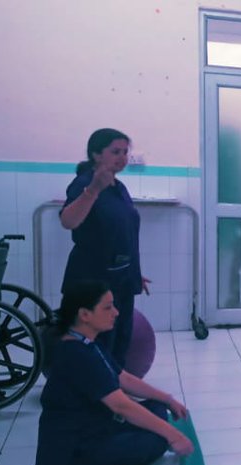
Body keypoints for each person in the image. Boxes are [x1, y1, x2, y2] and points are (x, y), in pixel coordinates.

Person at [36, 280, 193, 465]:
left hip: (94, 431)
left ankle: (143, 456)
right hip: (69, 457)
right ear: (84, 315)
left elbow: (123, 378)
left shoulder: (86, 342)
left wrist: (168, 399)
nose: (116, 312)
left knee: (157, 408)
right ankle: (146, 458)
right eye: (108, 307)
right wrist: (174, 435)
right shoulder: (76, 354)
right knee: (157, 439)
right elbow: (121, 406)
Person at [59, 128, 149, 368]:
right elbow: (68, 221)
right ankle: (94, 397)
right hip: (92, 281)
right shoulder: (84, 183)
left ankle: (113, 395)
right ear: (96, 155)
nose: (122, 157)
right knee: (97, 346)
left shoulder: (119, 188)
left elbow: (124, 235)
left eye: (125, 152)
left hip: (121, 280)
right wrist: (94, 190)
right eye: (115, 152)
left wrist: (134, 273)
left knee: (120, 342)